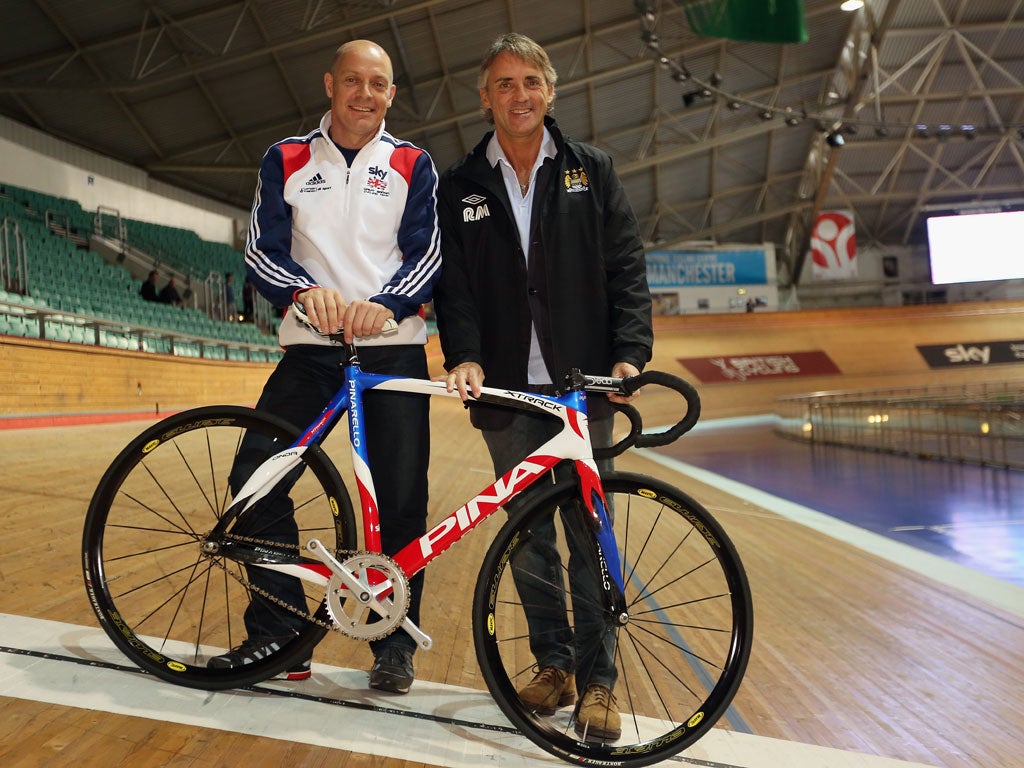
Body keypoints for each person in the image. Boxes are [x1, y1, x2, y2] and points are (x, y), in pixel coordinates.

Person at [433, 33, 652, 741]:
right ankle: (554, 667)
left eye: (531, 81)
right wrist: (465, 355)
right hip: (506, 394)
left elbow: (626, 266)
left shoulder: (593, 170)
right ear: (485, 98)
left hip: (582, 391)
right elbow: (455, 288)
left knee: (589, 537)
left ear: (550, 91)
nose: (519, 95)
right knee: (528, 541)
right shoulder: (460, 184)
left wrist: (629, 355)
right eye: (504, 83)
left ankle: (598, 681)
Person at [207, 39, 441, 692]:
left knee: (400, 504)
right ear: (330, 85)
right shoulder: (284, 157)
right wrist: (305, 292)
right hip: (311, 353)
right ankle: (280, 633)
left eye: (378, 83)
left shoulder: (412, 162)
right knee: (256, 480)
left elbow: (427, 254)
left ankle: (394, 642)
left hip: (391, 351)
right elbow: (263, 250)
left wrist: (387, 304)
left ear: (391, 94)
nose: (365, 94)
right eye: (353, 81)